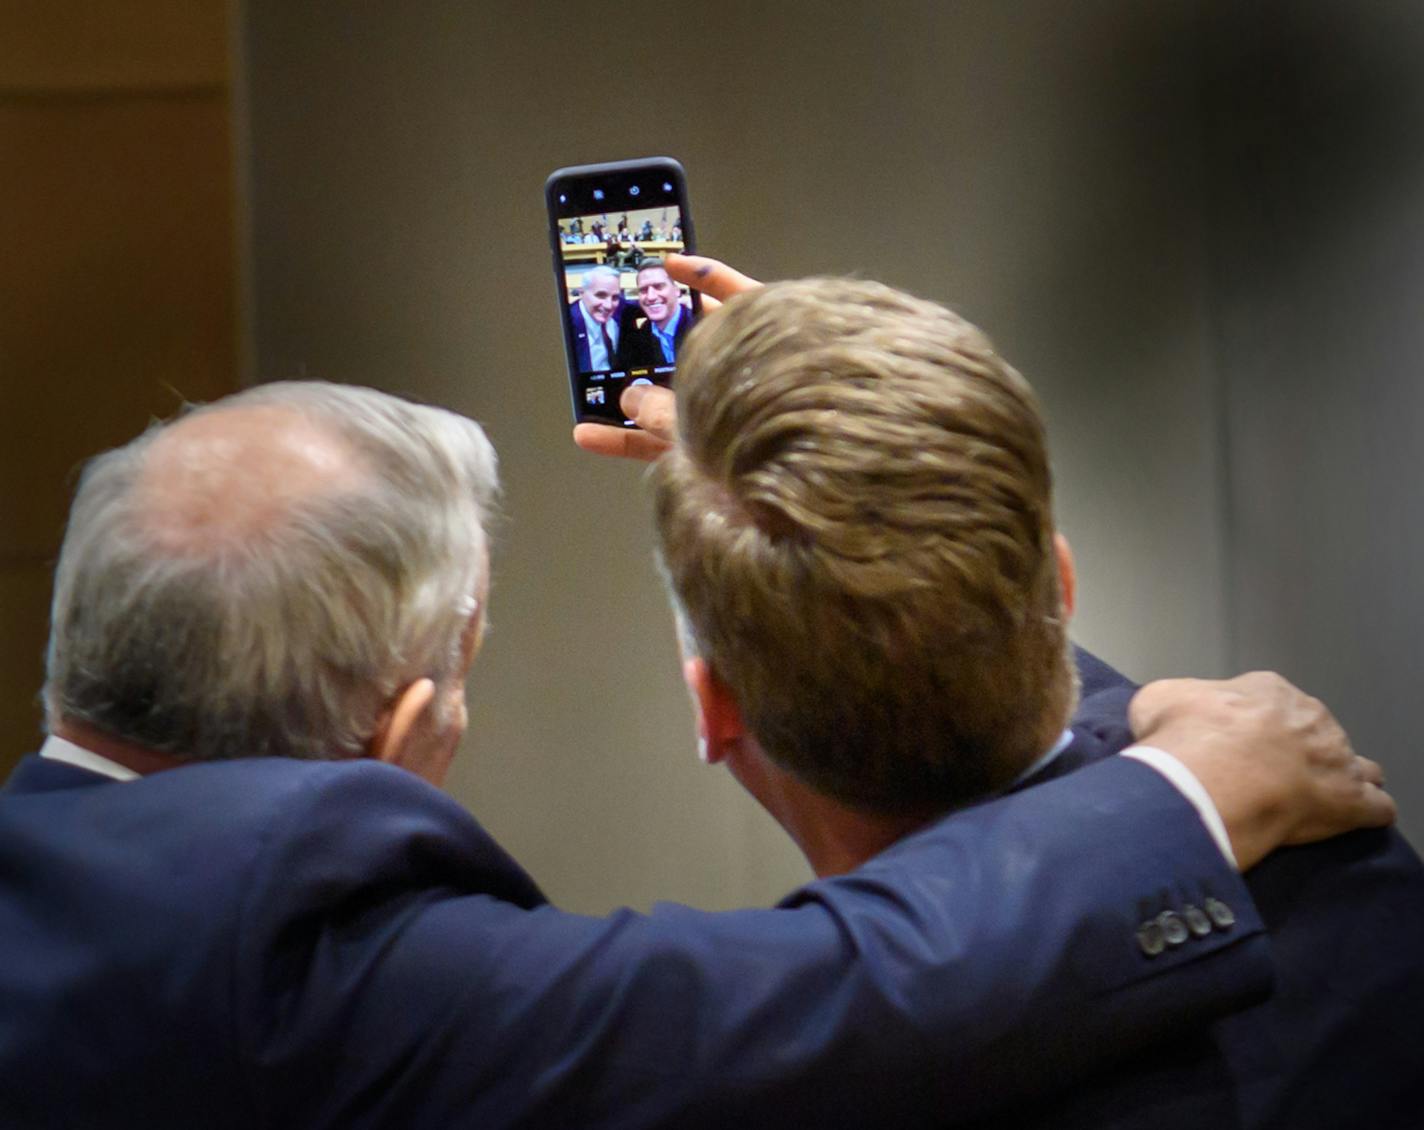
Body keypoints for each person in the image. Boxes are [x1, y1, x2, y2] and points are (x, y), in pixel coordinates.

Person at [0, 385, 1390, 1130]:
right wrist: (1189, 793)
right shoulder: (285, 941)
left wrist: (847, 459)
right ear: (395, 738)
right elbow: (836, 996)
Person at [623, 263, 1424, 1126]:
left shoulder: (786, 1072)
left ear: (713, 708)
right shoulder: (1351, 859)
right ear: (1064, 583)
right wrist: (913, 473)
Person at [622, 259, 696, 369]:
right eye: (643, 290)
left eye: (659, 287)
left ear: (677, 290)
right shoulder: (639, 337)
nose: (651, 296)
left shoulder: (699, 325)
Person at [566, 265, 626, 372]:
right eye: (601, 295)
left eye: (615, 297)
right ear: (581, 293)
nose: (609, 305)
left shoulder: (622, 309)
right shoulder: (567, 324)